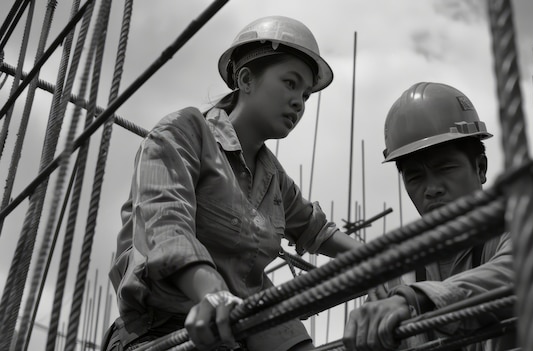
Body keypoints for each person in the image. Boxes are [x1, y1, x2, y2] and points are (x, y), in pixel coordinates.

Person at [103, 16, 362, 351]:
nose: (299, 101)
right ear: (246, 79)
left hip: (235, 332)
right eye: (290, 82)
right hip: (161, 332)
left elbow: (318, 231)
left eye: (306, 94)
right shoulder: (183, 132)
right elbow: (166, 224)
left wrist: (387, 263)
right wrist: (212, 291)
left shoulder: (274, 179)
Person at [342, 82, 533, 350]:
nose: (431, 189)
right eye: (415, 177)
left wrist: (419, 299)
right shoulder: (399, 276)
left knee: (512, 324)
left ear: (481, 168)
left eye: (445, 168)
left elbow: (521, 275)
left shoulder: (531, 228)